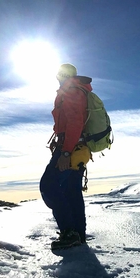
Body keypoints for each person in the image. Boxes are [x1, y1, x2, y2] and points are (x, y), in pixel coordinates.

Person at [40, 63, 93, 250]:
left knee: (48, 185)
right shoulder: (77, 90)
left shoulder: (71, 91)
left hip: (70, 147)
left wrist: (65, 152)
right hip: (79, 148)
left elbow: (75, 122)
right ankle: (78, 235)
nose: (58, 77)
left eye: (59, 74)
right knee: (72, 191)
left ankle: (69, 232)